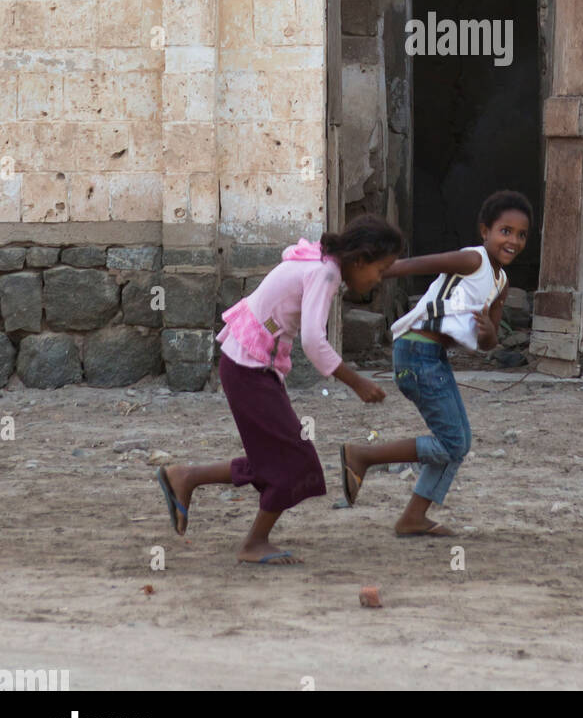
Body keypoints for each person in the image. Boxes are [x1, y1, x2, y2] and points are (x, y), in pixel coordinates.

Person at [155, 216, 403, 565]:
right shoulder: (326, 273)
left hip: (248, 365)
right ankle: (254, 543)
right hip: (248, 369)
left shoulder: (321, 258)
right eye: (381, 269)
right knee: (297, 464)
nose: (379, 279)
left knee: (277, 459)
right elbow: (314, 340)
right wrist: (356, 382)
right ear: (360, 260)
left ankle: (187, 476)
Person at [339, 190, 532, 537]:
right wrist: (365, 271)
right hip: (416, 353)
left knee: (458, 442)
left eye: (521, 234)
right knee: (452, 442)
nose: (513, 240)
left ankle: (413, 517)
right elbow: (417, 265)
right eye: (505, 231)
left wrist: (488, 331)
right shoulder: (472, 260)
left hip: (433, 358)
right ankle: (363, 456)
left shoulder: (500, 282)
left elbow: (489, 343)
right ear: (485, 230)